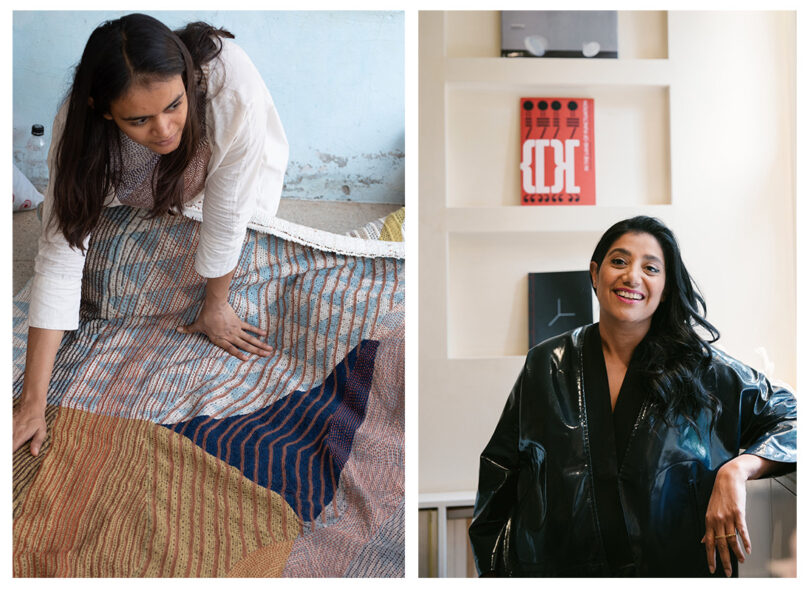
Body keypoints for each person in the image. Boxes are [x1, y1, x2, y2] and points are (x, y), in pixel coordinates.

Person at [13, 13, 289, 456]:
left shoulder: (231, 90)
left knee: (240, 252)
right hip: (132, 183)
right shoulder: (79, 132)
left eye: (173, 106)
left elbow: (228, 210)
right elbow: (60, 252)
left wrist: (215, 305)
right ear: (102, 112)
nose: (163, 130)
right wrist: (32, 404)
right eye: (139, 119)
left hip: (230, 181)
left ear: (186, 81)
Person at [468, 216, 796, 577]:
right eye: (619, 261)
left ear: (667, 286)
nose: (632, 277)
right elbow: (500, 473)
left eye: (651, 268)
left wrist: (737, 469)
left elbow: (793, 419)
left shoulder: (702, 370)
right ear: (595, 274)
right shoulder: (546, 364)